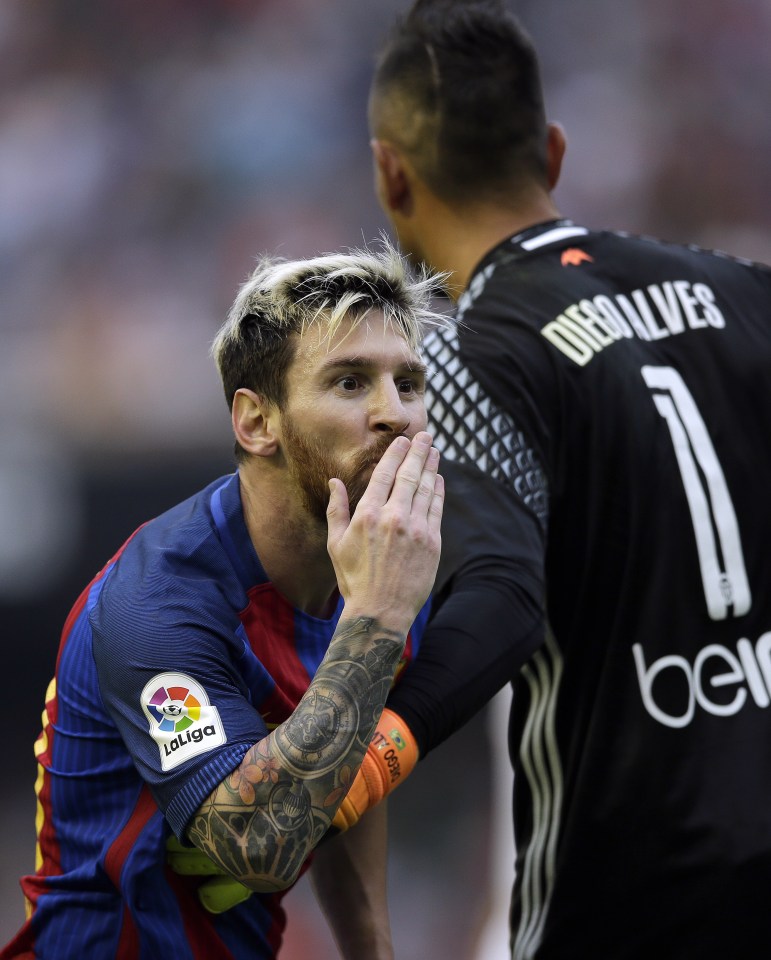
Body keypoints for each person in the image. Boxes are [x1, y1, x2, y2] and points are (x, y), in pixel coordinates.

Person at [359, 0, 771, 957]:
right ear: (551, 151)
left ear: (391, 174)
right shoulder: (743, 292)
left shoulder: (463, 357)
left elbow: (499, 601)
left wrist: (356, 760)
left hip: (634, 908)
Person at [1, 243, 450, 960]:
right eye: (348, 382)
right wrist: (378, 619)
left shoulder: (378, 570)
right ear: (255, 422)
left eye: (408, 382)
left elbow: (348, 761)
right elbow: (257, 846)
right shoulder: (159, 603)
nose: (393, 414)